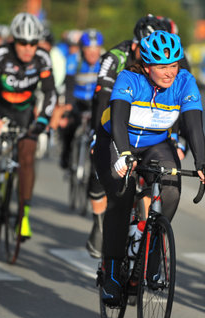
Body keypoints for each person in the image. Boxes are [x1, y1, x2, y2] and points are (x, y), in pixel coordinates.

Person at [94, 30, 205, 306]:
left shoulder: (185, 81)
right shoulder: (129, 79)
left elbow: (194, 124)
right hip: (115, 140)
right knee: (121, 197)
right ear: (147, 66)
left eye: (173, 64)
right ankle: (111, 273)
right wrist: (124, 155)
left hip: (155, 144)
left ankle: (148, 252)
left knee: (171, 191)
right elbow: (119, 122)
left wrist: (201, 162)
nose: (170, 72)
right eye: (162, 66)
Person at [85, 15, 169, 259]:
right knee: (102, 164)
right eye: (144, 51)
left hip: (147, 123)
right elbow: (102, 99)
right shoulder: (115, 57)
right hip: (113, 115)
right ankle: (100, 223)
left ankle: (140, 239)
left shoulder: (167, 59)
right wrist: (97, 137)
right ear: (135, 46)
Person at [0, 12, 57, 239]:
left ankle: (23, 215)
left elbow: (50, 92)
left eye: (33, 43)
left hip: (24, 112)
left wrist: (42, 121)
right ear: (13, 40)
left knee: (28, 156)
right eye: (23, 43)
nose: (28, 48)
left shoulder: (43, 58)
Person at [59, 28, 104, 169]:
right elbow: (69, 85)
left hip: (96, 100)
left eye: (96, 48)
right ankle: (66, 153)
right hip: (77, 99)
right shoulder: (74, 61)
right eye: (88, 48)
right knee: (70, 125)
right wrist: (68, 106)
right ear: (82, 49)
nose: (92, 52)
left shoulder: (105, 61)